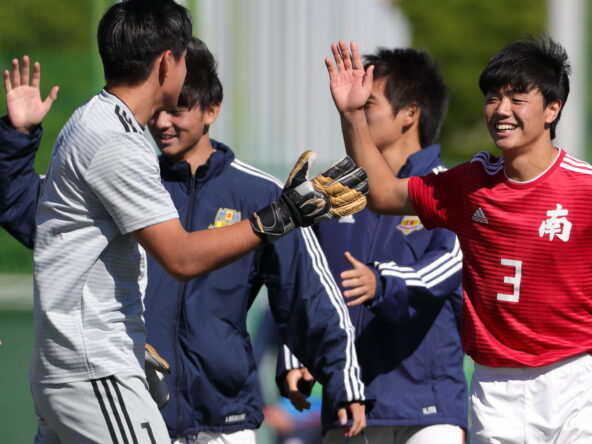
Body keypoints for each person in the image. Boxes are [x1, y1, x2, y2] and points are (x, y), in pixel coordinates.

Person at [2, 1, 368, 442]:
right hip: (95, 367)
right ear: (166, 63)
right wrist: (282, 215)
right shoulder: (116, 141)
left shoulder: (91, 123)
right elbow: (180, 256)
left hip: (119, 380)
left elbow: (303, 293)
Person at [325, 36, 592, 443]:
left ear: (552, 109)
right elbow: (382, 194)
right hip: (494, 387)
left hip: (575, 380)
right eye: (492, 97)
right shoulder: (469, 183)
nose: (501, 110)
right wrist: (353, 116)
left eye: (517, 97)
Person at [279, 47, 467, 443]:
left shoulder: (445, 190)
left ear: (410, 113)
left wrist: (382, 283)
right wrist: (297, 354)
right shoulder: (329, 196)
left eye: (370, 102)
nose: (358, 110)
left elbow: (446, 268)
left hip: (426, 411)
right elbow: (306, 283)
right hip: (349, 409)